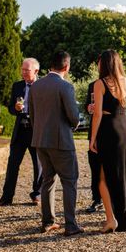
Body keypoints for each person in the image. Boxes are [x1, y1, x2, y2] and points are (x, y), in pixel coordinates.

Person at [29, 51, 83, 236]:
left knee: (47, 181)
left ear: (50, 65)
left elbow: (32, 116)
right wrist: (74, 125)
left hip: (40, 140)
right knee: (69, 181)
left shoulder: (35, 86)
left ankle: (47, 222)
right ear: (66, 67)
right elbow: (74, 117)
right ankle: (71, 224)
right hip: (61, 141)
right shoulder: (65, 87)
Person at [89, 49, 126, 233]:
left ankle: (111, 219)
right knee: (125, 174)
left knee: (103, 176)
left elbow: (97, 114)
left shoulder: (100, 84)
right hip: (125, 128)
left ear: (105, 64)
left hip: (108, 129)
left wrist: (93, 139)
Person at [0, 58, 42, 207]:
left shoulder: (43, 86)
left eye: (26, 70)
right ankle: (7, 197)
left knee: (38, 164)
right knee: (13, 163)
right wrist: (16, 108)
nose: (23, 72)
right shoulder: (17, 86)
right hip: (20, 129)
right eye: (22, 69)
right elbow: (10, 108)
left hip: (36, 130)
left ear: (36, 71)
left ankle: (37, 194)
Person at [84, 80, 103, 213]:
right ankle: (97, 199)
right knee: (95, 165)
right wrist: (88, 108)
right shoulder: (93, 84)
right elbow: (87, 105)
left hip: (111, 130)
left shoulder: (120, 83)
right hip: (94, 130)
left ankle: (113, 200)